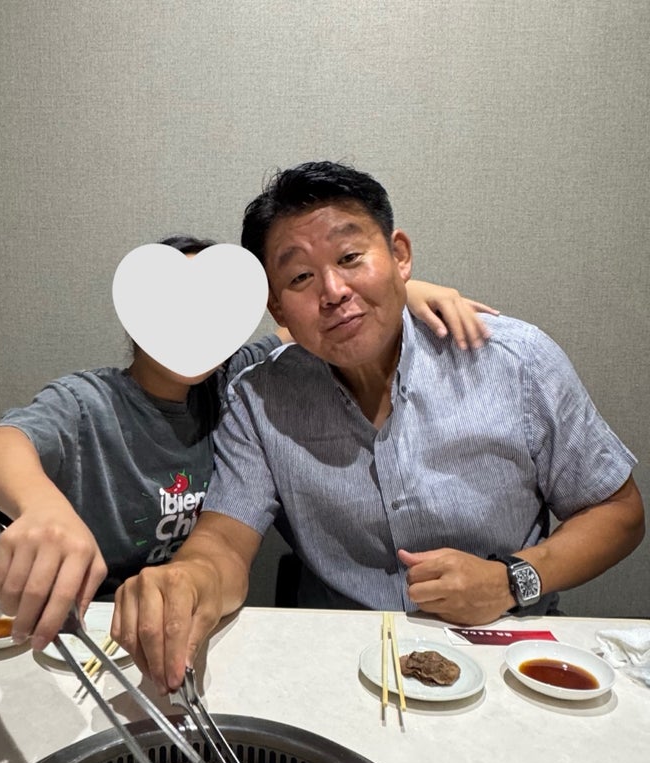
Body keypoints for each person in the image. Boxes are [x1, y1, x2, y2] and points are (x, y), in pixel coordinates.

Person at [111, 165, 645, 693]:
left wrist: (512, 579)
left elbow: (617, 511)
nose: (333, 290)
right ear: (276, 306)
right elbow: (225, 541)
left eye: (350, 258)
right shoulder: (261, 398)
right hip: (342, 665)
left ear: (399, 255)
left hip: (505, 650)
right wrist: (190, 578)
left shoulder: (513, 361)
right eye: (300, 278)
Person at [0, 233, 494, 648]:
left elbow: (315, 325)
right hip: (86, 627)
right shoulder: (90, 400)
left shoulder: (235, 378)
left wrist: (406, 291)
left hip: (192, 620)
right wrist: (43, 509)